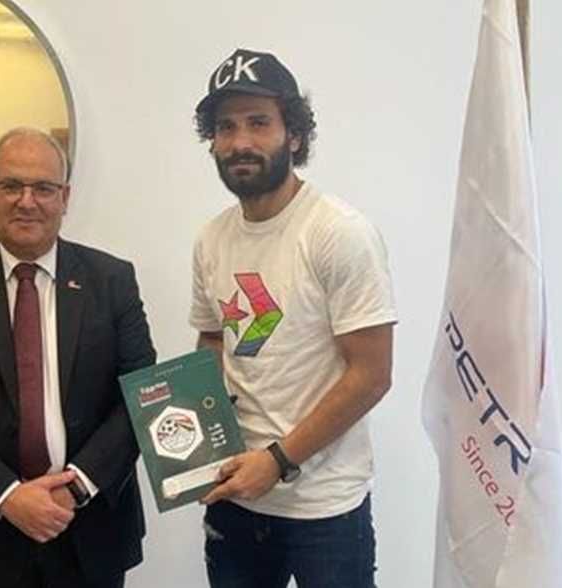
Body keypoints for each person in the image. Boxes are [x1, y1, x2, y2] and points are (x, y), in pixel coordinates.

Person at [0, 128, 155, 588]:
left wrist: (76, 485)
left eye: (43, 188)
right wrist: (8, 496)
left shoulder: (112, 280)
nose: (27, 201)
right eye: (11, 186)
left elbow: (142, 394)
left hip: (89, 529)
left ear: (65, 197)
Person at [189, 49, 397, 588]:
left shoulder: (338, 233)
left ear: (296, 136)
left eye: (259, 122)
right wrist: (196, 446)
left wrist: (276, 460)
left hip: (324, 510)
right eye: (226, 126)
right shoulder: (211, 239)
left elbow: (371, 376)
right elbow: (213, 340)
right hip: (235, 496)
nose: (240, 141)